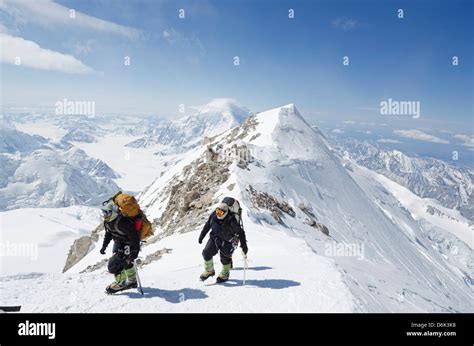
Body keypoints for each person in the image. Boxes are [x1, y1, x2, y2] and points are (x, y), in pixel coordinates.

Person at [198, 202, 248, 283]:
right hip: (215, 238)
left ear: (226, 212)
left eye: (221, 212)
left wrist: (244, 246)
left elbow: (241, 233)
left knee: (225, 258)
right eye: (218, 211)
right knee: (206, 253)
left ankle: (225, 274)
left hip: (228, 241)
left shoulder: (231, 220)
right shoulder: (214, 215)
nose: (219, 214)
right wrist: (201, 236)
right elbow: (207, 225)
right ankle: (209, 271)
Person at [100, 200, 141, 294]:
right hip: (119, 243)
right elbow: (109, 234)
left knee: (113, 265)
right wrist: (104, 246)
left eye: (106, 212)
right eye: (104, 212)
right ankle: (132, 281)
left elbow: (135, 237)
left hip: (128, 244)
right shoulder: (108, 222)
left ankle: (121, 283)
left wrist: (135, 251)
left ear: (113, 212)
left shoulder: (123, 223)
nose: (104, 214)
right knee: (125, 262)